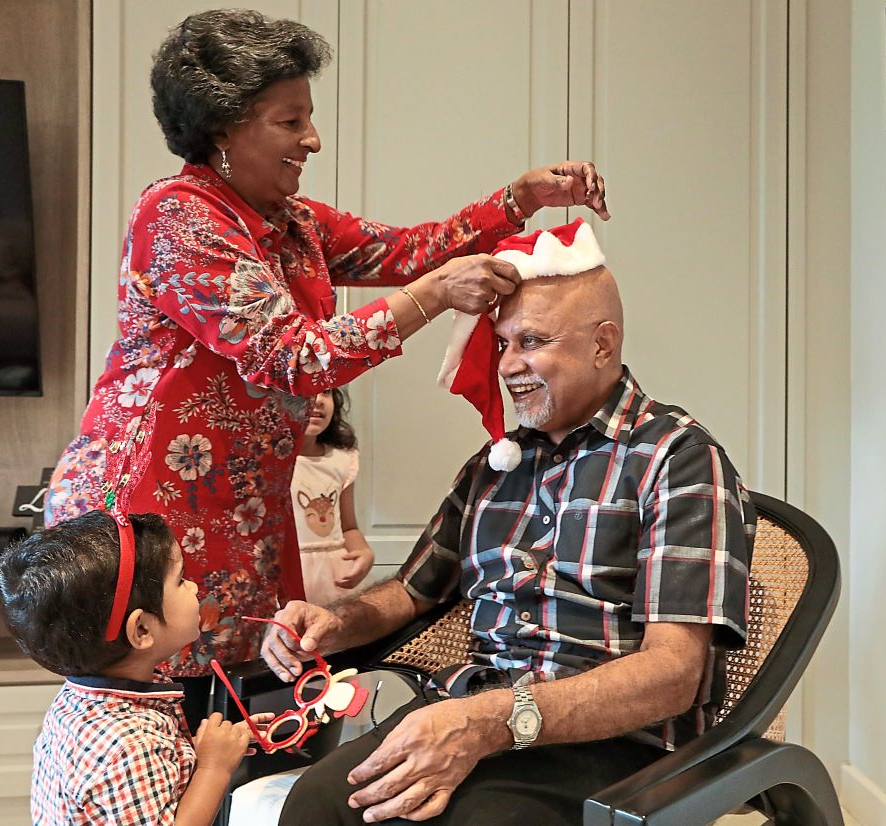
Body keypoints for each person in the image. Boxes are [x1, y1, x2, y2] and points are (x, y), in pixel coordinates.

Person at [42, 7, 610, 728]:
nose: (312, 139)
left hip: (239, 516)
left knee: (243, 729)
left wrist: (520, 199)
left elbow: (406, 251)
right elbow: (294, 356)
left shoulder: (293, 222)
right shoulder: (179, 220)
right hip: (153, 525)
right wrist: (432, 298)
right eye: (290, 122)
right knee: (163, 737)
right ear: (222, 127)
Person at [260, 223, 757, 825]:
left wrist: (494, 722)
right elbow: (412, 591)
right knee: (318, 803)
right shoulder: (493, 467)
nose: (508, 365)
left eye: (532, 341)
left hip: (609, 747)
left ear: (604, 344)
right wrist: (331, 626)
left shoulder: (677, 458)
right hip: (469, 707)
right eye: (502, 344)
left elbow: (674, 674)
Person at [0, 511, 266, 825]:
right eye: (179, 581)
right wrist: (213, 768)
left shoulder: (80, 702)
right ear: (142, 630)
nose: (192, 588)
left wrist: (199, 752)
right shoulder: (131, 745)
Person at [293, 387, 374, 607]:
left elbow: (348, 527)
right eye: (307, 389)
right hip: (290, 577)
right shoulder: (270, 462)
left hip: (334, 580)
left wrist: (364, 553)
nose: (318, 400)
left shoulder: (342, 460)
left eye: (326, 391)